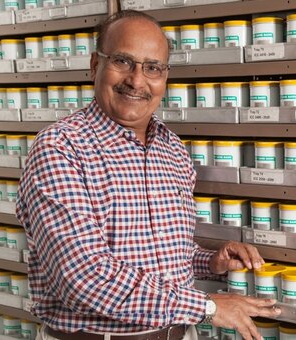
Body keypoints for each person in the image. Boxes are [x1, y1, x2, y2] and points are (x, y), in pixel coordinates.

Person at [17, 10, 280, 340]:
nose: (137, 80)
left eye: (152, 67)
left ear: (165, 77)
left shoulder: (171, 149)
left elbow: (163, 255)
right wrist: (208, 306)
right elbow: (84, 279)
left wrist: (208, 262)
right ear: (95, 66)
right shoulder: (61, 148)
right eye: (123, 62)